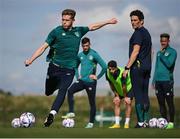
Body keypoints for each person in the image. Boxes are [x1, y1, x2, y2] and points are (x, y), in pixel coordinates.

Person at [24, 9, 118, 127]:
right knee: (48, 92)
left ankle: (52, 114)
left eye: (67, 20)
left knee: (63, 90)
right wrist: (30, 60)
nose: (64, 22)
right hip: (54, 68)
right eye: (63, 20)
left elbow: (92, 26)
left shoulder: (78, 31)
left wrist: (108, 22)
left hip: (69, 70)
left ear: (73, 20)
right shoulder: (56, 32)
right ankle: (52, 90)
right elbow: (43, 47)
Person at [62, 37, 107, 128]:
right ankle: (71, 112)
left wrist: (97, 77)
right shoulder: (80, 55)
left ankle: (91, 123)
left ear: (89, 44)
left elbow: (104, 66)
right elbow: (75, 66)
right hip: (82, 81)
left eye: (87, 46)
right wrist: (77, 76)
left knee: (92, 103)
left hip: (91, 82)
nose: (85, 47)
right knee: (70, 91)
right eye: (83, 46)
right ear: (81, 46)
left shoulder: (94, 54)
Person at [123, 10, 152, 128]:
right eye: (131, 20)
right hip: (147, 67)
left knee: (139, 95)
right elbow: (151, 52)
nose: (133, 23)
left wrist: (127, 67)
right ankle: (146, 121)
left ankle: (140, 123)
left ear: (142, 21)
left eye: (135, 20)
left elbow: (135, 52)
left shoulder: (138, 34)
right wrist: (149, 66)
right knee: (145, 95)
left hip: (137, 68)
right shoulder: (147, 33)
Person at [152, 33, 177, 129]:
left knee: (169, 102)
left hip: (167, 81)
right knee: (161, 103)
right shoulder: (158, 53)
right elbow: (157, 67)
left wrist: (162, 55)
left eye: (165, 41)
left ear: (168, 41)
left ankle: (171, 122)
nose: (163, 43)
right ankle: (164, 122)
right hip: (158, 82)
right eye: (161, 41)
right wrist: (153, 80)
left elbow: (169, 64)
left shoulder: (173, 52)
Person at [106, 60, 133, 129]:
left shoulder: (122, 73)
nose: (111, 71)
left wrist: (125, 97)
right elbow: (111, 84)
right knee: (117, 102)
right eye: (109, 69)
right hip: (118, 89)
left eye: (112, 69)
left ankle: (126, 124)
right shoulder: (107, 73)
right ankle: (117, 124)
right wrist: (117, 96)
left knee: (128, 103)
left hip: (128, 88)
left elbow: (124, 87)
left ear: (116, 68)